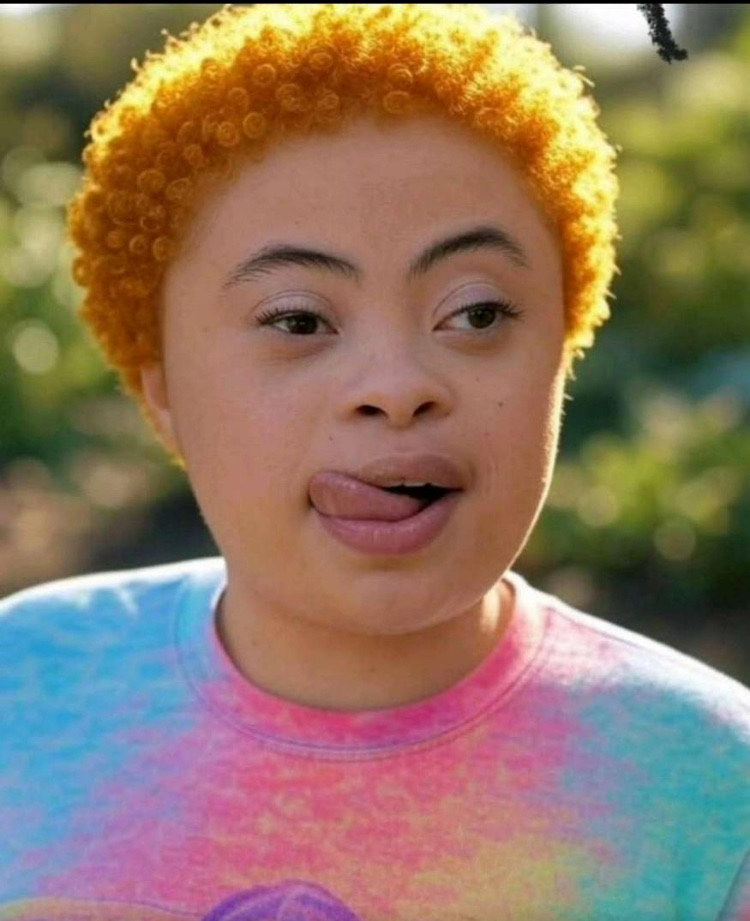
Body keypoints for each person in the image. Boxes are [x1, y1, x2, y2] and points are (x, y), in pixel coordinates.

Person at [0, 4, 747, 919]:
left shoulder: (715, 791)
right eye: (298, 320)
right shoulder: (22, 688)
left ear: (563, 347)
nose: (396, 386)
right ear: (161, 389)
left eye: (475, 312)